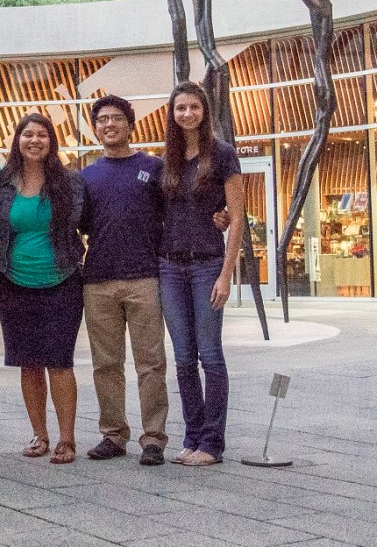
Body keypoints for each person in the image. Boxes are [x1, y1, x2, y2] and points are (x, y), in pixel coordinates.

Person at [0, 113, 85, 464]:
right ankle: (39, 434)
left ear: (51, 141)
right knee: (28, 362)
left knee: (59, 361)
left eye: (42, 135)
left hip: (62, 281)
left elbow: (88, 222)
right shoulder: (2, 183)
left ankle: (67, 438)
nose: (34, 141)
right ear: (17, 140)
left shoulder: (70, 182)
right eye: (27, 134)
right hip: (13, 283)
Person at [159, 80, 244, 467]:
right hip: (170, 267)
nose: (187, 114)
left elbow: (238, 218)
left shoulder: (223, 154)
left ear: (204, 111)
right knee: (182, 358)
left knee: (209, 354)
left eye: (194, 107)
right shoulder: (169, 161)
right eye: (180, 108)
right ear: (172, 114)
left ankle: (212, 443)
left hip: (208, 264)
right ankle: (191, 438)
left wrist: (227, 273)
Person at [81, 95, 169, 467]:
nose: (109, 124)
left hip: (144, 277)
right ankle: (113, 435)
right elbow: (81, 225)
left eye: (117, 118)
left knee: (150, 362)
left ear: (130, 124)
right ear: (95, 127)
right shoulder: (86, 175)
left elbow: (173, 215)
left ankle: (154, 439)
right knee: (105, 363)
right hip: (98, 279)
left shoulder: (154, 167)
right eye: (102, 119)